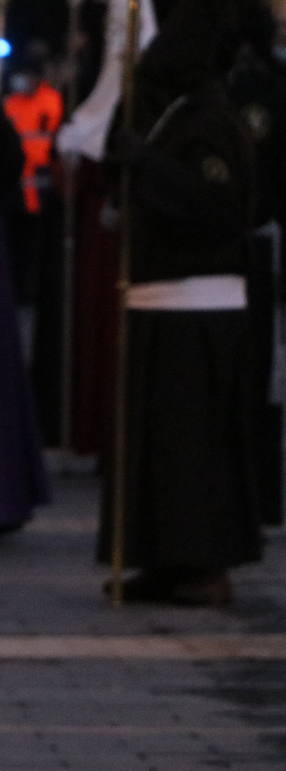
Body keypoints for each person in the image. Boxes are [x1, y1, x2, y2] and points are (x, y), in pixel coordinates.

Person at [99, 0, 263, 605]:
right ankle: (162, 557)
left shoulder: (214, 121)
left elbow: (218, 209)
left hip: (200, 307)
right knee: (157, 449)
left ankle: (202, 562)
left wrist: (150, 167)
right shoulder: (169, 113)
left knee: (192, 451)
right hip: (157, 300)